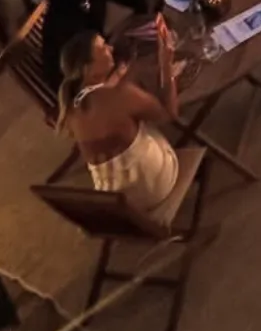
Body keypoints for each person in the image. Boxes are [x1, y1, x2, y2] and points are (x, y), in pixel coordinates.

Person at [55, 31, 179, 212]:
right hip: (152, 189)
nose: (110, 48)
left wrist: (117, 78)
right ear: (87, 69)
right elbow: (170, 114)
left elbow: (103, 105)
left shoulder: (71, 107)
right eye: (102, 48)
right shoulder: (120, 94)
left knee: (130, 120)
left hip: (114, 201)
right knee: (147, 120)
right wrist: (167, 66)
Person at [39, 0, 149, 90]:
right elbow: (73, 75)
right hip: (75, 79)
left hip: (96, 56)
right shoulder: (63, 22)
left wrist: (145, 19)